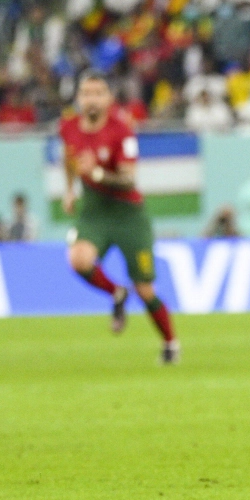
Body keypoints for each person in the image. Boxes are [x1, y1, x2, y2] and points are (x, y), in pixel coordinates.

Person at [59, 72, 179, 364]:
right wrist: (70, 189)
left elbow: (129, 180)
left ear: (109, 98)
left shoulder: (122, 131)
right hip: (94, 211)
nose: (91, 98)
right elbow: (69, 157)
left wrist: (96, 173)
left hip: (128, 214)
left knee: (145, 289)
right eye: (86, 92)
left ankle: (170, 343)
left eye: (98, 92)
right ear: (79, 98)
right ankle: (116, 293)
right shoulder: (69, 127)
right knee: (78, 259)